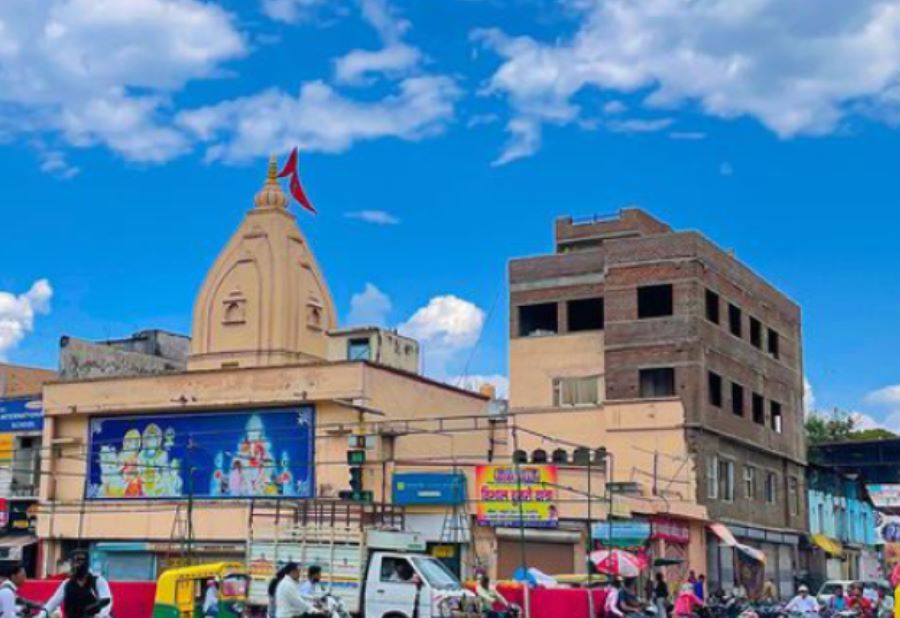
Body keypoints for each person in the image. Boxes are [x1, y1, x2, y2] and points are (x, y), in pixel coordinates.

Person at [41, 550, 113, 618]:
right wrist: (40, 615)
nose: (76, 565)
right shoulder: (67, 584)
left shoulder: (98, 581)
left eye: (79, 562)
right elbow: (52, 604)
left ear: (86, 564)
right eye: (74, 562)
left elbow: (107, 602)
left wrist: (100, 615)